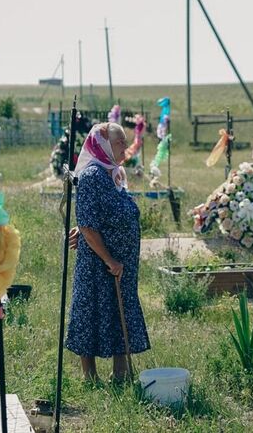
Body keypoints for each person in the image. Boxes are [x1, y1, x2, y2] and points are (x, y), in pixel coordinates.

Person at [65, 122, 150, 383]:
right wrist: (109, 259)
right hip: (99, 263)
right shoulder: (92, 177)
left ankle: (121, 373)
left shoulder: (113, 173)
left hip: (121, 262)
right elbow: (89, 225)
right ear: (102, 145)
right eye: (119, 142)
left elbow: (100, 215)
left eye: (125, 141)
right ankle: (89, 376)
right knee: (91, 310)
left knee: (118, 308)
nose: (125, 147)